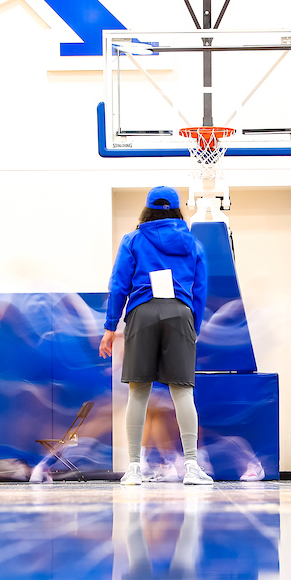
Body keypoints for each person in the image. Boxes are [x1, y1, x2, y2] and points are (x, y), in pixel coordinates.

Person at [99, 186, 213, 486]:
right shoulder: (193, 243)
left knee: (138, 392)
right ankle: (191, 467)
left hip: (142, 312)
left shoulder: (133, 240)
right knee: (183, 391)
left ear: (147, 209)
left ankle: (134, 468)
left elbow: (118, 285)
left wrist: (111, 327)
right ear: (177, 209)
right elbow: (200, 292)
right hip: (180, 312)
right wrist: (193, 328)